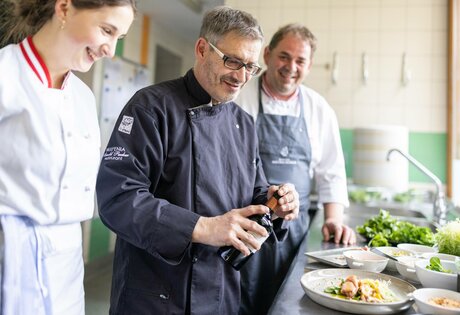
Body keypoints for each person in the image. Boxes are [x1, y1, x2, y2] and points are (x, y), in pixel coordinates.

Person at [96, 6, 300, 315]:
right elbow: (118, 198)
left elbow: (253, 194)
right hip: (156, 297)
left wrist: (275, 203)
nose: (241, 76)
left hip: (220, 296)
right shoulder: (150, 108)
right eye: (232, 61)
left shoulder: (243, 123)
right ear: (202, 48)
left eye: (250, 66)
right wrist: (203, 228)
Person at [0, 0, 135, 314]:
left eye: (120, 37)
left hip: (68, 267)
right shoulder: (5, 75)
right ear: (63, 8)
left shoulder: (83, 98)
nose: (110, 50)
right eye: (106, 30)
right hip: (10, 257)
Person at [235, 23, 356, 315]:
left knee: (289, 304)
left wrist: (333, 220)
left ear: (309, 66)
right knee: (239, 303)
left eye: (300, 60)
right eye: (284, 56)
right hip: (243, 229)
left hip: (294, 234)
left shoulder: (319, 109)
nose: (291, 67)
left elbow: (332, 172)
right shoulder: (239, 97)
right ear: (267, 55)